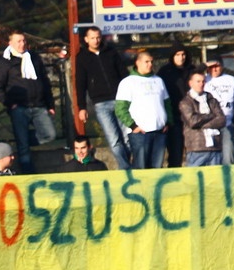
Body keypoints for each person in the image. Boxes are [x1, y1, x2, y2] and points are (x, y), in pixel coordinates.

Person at [0, 30, 56, 174]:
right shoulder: (4, 62)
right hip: (19, 107)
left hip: (38, 105)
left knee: (50, 134)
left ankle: (24, 140)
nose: (22, 44)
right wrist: (9, 103)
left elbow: (44, 81)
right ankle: (28, 173)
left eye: (24, 41)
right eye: (18, 41)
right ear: (11, 43)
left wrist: (50, 103)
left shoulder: (33, 57)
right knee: (23, 148)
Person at [74, 26, 131, 169]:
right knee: (114, 140)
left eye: (98, 37)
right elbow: (80, 83)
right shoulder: (82, 58)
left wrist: (130, 96)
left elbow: (123, 74)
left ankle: (129, 165)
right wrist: (82, 107)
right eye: (92, 38)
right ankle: (126, 169)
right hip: (101, 103)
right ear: (86, 40)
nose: (96, 40)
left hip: (120, 100)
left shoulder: (111, 52)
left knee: (127, 137)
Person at [115, 50, 172, 169]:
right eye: (146, 62)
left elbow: (167, 103)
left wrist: (168, 122)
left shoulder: (158, 80)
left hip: (159, 131)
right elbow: (120, 109)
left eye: (151, 62)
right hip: (140, 133)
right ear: (138, 63)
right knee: (141, 168)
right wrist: (133, 126)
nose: (150, 64)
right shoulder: (128, 82)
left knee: (157, 168)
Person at [157, 42, 194, 168]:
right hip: (173, 118)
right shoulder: (165, 72)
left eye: (183, 54)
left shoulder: (192, 70)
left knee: (194, 154)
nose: (181, 57)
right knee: (175, 154)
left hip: (191, 117)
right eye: (177, 54)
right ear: (172, 56)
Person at [179, 69, 226, 167]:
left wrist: (203, 123)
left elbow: (222, 120)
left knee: (214, 180)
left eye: (203, 81)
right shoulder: (186, 102)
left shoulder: (211, 99)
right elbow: (192, 121)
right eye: (198, 81)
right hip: (196, 148)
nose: (201, 84)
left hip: (215, 147)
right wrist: (211, 115)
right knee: (194, 180)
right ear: (190, 83)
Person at [204, 59, 234, 165]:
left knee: (228, 156)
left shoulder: (232, 80)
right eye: (212, 66)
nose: (215, 69)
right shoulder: (204, 80)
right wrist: (204, 65)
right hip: (209, 126)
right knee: (212, 158)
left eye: (217, 65)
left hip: (227, 124)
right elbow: (192, 74)